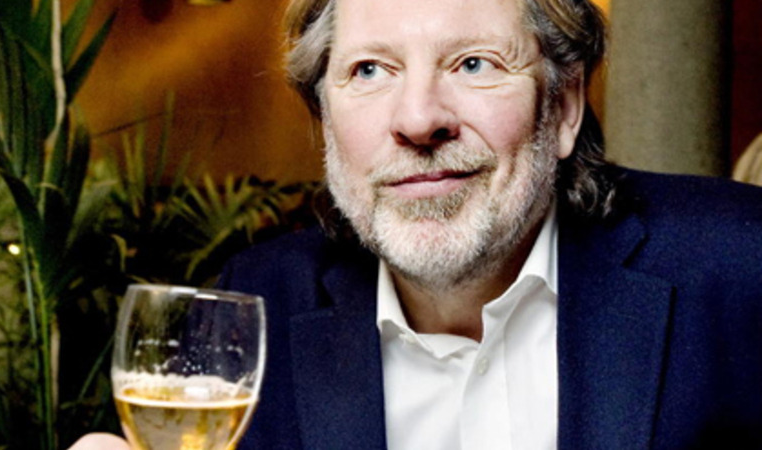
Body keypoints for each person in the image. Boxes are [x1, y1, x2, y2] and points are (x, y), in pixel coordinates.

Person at [71, 0, 762, 448]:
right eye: (371, 70)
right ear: (326, 124)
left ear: (565, 107)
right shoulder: (256, 307)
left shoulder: (741, 266)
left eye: (473, 63)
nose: (418, 119)